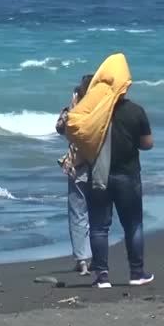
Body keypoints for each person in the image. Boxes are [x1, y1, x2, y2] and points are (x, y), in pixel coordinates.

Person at [86, 93, 154, 288]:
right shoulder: (135, 110)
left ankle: (102, 276)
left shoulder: (95, 110)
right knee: (133, 225)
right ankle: (136, 273)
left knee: (99, 226)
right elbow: (147, 144)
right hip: (128, 173)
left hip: (99, 173)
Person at [56, 74, 94, 276]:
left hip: (77, 165)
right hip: (98, 165)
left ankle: (82, 261)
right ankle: (98, 256)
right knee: (98, 213)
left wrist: (71, 104)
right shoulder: (102, 108)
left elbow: (60, 127)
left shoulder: (76, 109)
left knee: (78, 213)